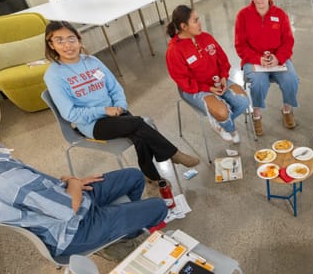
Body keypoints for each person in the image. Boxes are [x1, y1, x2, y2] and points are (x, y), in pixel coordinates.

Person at [0, 68, 168, 258]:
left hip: (58, 201)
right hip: (68, 231)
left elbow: (38, 194)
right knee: (158, 207)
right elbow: (68, 209)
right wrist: (73, 183)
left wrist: (69, 185)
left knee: (134, 176)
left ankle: (119, 229)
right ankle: (116, 238)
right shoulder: (4, 177)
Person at [43, 20, 199, 184]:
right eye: (59, 40)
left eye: (71, 39)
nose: (67, 45)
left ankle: (153, 178)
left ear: (79, 40)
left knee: (140, 136)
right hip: (93, 124)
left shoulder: (92, 61)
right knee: (138, 123)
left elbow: (115, 87)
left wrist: (120, 106)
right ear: (51, 45)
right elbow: (70, 114)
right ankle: (172, 153)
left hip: (115, 112)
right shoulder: (54, 75)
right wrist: (105, 110)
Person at [166, 5, 250, 143]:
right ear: (184, 26)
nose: (200, 23)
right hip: (195, 89)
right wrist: (209, 89)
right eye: (195, 21)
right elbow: (183, 80)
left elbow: (223, 60)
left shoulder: (206, 37)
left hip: (217, 81)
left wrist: (223, 77)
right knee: (222, 112)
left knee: (244, 102)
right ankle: (229, 128)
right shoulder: (174, 50)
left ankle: (219, 122)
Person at [235, 0, 299, 137]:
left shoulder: (280, 15)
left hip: (278, 59)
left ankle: (287, 110)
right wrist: (258, 59)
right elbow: (240, 45)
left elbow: (288, 41)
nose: (258, 0)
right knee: (258, 83)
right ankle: (256, 115)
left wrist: (278, 58)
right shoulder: (243, 16)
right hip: (254, 60)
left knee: (292, 79)